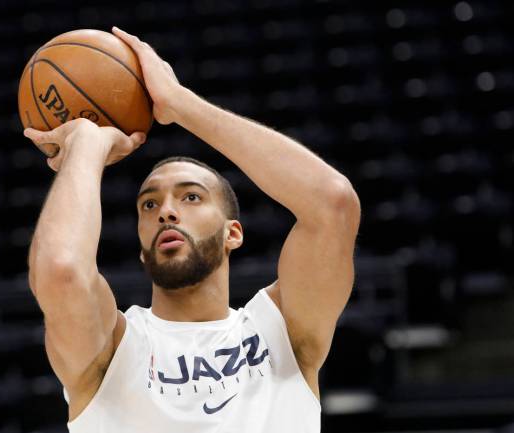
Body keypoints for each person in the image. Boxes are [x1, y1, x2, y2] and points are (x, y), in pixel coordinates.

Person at [25, 26, 361, 433]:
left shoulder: (283, 334)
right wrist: (87, 144)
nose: (166, 211)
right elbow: (62, 270)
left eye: (191, 197)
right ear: (141, 246)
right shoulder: (111, 350)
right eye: (149, 204)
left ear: (232, 233)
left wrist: (180, 104)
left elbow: (333, 204)